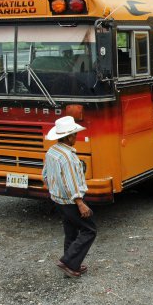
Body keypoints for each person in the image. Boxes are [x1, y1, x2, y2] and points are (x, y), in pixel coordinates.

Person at [42, 116, 96, 278]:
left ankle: (72, 265)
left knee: (71, 231)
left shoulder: (52, 151)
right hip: (70, 201)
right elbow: (71, 182)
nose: (76, 137)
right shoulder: (67, 157)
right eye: (74, 134)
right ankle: (68, 261)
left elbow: (45, 175)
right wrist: (80, 202)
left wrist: (54, 190)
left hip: (58, 199)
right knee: (89, 230)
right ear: (69, 136)